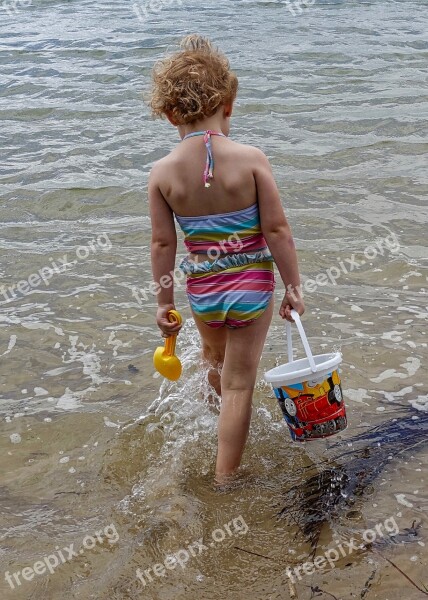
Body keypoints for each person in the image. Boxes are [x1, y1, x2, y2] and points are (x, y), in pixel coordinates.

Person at [148, 34, 305, 484]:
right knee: (239, 383)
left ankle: (210, 429)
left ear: (170, 113)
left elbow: (162, 245)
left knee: (213, 366)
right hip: (251, 288)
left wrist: (163, 303)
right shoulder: (252, 160)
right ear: (228, 103)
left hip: (203, 292)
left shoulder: (162, 173)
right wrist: (293, 287)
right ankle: (226, 475)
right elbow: (277, 230)